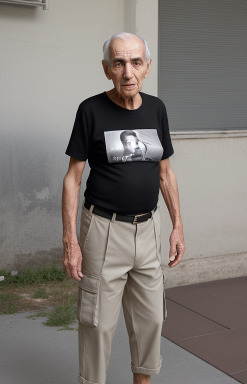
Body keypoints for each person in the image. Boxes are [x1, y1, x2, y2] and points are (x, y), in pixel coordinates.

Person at [62, 32, 186, 384]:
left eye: (135, 62)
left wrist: (177, 226)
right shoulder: (91, 110)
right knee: (97, 324)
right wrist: (70, 239)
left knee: (151, 322)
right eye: (119, 63)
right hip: (103, 230)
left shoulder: (157, 109)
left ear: (147, 67)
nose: (128, 72)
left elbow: (166, 173)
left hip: (148, 229)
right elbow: (73, 177)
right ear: (107, 70)